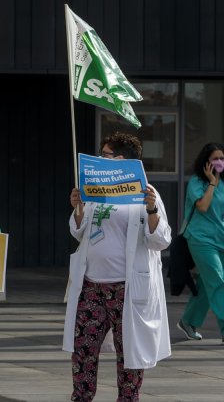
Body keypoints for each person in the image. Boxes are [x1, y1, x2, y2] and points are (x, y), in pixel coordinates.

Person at [63, 132, 171, 401]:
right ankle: (82, 397)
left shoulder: (146, 193)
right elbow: (79, 232)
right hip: (91, 286)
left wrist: (152, 210)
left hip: (127, 290)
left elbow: (161, 240)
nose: (100, 158)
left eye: (106, 154)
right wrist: (78, 207)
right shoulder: (96, 192)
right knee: (83, 351)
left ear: (121, 160)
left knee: (129, 357)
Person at [175, 142, 224, 342]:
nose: (219, 162)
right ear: (206, 162)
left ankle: (188, 320)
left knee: (206, 284)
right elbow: (203, 207)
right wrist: (212, 182)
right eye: (215, 158)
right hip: (200, 239)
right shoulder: (197, 182)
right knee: (219, 281)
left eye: (222, 158)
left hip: (220, 238)